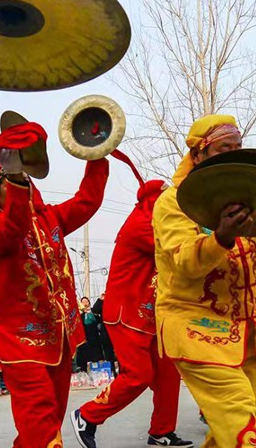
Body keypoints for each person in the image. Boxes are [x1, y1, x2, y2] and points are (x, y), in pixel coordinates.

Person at [0, 116, 108, 448]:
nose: (21, 190)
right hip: (19, 342)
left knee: (48, 421)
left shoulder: (51, 219)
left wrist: (97, 155)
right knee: (40, 418)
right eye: (10, 185)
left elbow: (87, 201)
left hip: (60, 338)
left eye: (24, 184)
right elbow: (12, 228)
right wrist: (15, 178)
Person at [150, 115, 256, 448]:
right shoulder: (173, 203)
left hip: (248, 332)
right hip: (197, 329)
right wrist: (221, 236)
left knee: (251, 422)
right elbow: (185, 263)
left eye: (238, 147)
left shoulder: (249, 200)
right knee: (245, 431)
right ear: (199, 155)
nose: (234, 154)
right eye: (224, 148)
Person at [71, 179, 192, 448]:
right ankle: (87, 416)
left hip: (150, 315)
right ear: (153, 201)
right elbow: (176, 250)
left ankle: (162, 431)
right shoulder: (140, 225)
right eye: (166, 200)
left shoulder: (157, 223)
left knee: (168, 372)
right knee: (138, 374)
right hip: (127, 313)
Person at [75, 296, 104, 372]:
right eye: (83, 302)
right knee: (84, 356)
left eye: (86, 301)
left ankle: (98, 372)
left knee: (96, 356)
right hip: (84, 339)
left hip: (94, 338)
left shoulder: (94, 313)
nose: (85, 303)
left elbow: (99, 321)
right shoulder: (80, 315)